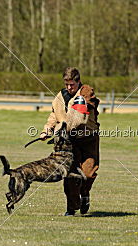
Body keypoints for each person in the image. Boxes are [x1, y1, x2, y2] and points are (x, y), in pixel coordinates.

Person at [40, 67, 100, 216]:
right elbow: (54, 115)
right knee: (70, 175)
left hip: (88, 139)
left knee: (88, 173)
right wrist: (47, 129)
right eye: (66, 84)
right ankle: (71, 208)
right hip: (68, 143)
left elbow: (83, 111)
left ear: (78, 82)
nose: (69, 87)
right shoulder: (60, 96)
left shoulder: (85, 92)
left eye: (72, 84)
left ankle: (84, 195)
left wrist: (63, 128)